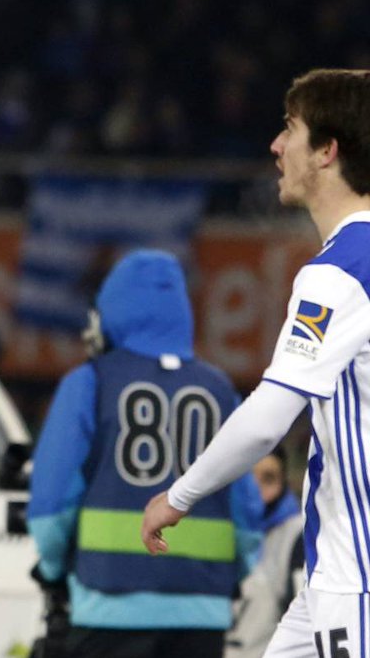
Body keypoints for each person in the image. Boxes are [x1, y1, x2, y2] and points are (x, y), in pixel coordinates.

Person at [141, 69, 370, 656]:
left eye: (290, 129)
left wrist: (179, 496)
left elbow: (269, 417)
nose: (276, 145)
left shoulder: (342, 272)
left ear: (326, 151)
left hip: (358, 575)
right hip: (329, 571)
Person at [27, 249, 262, 658]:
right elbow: (246, 513)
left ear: (111, 312)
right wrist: (230, 575)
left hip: (106, 604)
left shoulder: (90, 382)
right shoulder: (221, 391)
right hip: (202, 613)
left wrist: (52, 570)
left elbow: (52, 503)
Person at [226, 446, 305, 658]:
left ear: (284, 484)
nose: (255, 490)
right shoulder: (214, 526)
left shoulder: (297, 536)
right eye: (247, 479)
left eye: (268, 479)